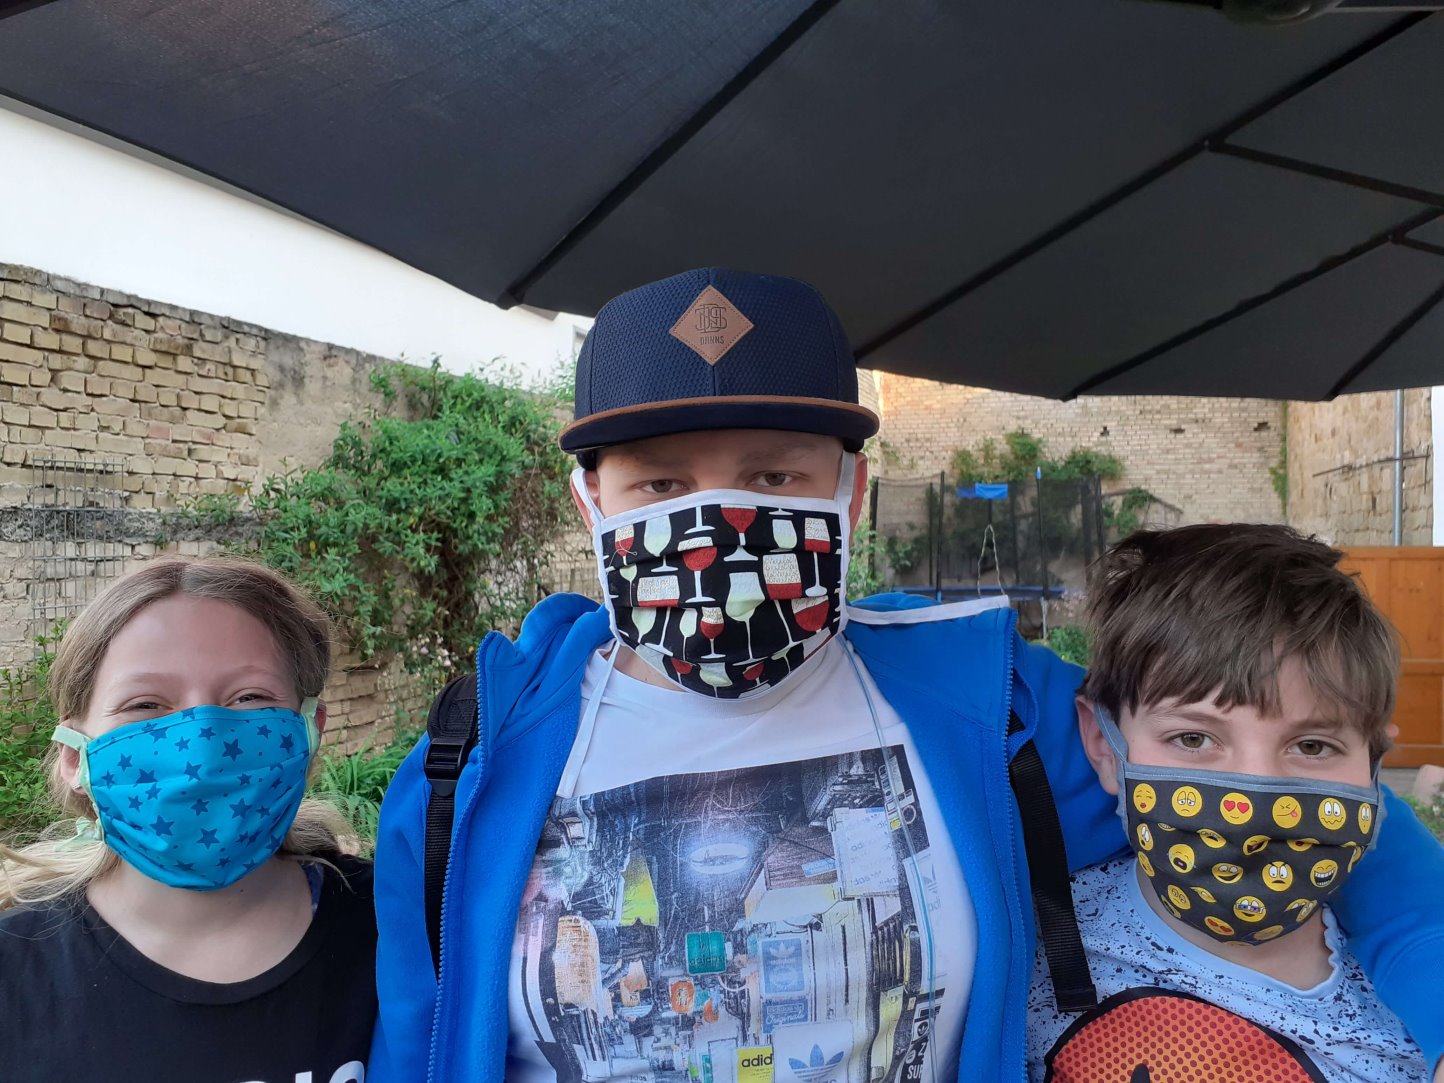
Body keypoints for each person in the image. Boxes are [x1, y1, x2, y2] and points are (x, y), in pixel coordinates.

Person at [369, 267, 1444, 1083]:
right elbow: (417, 1039)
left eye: (773, 475)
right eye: (660, 483)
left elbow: (1286, 784)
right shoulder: (470, 764)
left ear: (849, 494)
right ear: (591, 504)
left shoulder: (995, 710)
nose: (718, 521)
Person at [1027, 524, 1430, 1082]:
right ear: (1103, 746)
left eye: (1313, 746)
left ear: (1375, 763)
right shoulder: (1022, 949)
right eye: (1193, 738)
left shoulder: (1416, 1012)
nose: (1255, 795)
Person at [0, 558, 377, 1083]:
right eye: (145, 704)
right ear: (73, 757)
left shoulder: (402, 929)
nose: (202, 746)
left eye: (249, 697)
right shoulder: (14, 972)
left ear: (308, 731)